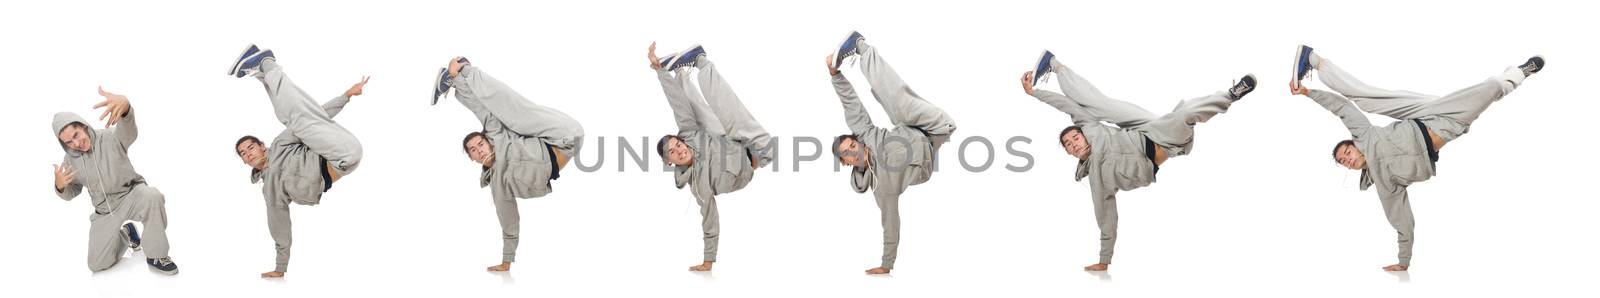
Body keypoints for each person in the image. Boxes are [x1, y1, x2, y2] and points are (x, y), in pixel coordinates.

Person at [1288, 45, 1543, 271]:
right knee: (1494, 87)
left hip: (1424, 113)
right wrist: (1404, 261)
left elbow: (1342, 108)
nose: (1347, 159)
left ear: (1355, 146)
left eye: (1347, 152)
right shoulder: (1384, 184)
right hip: (1449, 124)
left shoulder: (1364, 135)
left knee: (1364, 98)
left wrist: (1309, 94)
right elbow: (1402, 220)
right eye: (1343, 161)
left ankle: (1313, 60)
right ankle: (1518, 73)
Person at [1019, 50, 1255, 272]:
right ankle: (1226, 97)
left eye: (1074, 137)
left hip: (1142, 128)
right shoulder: (1097, 182)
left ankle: (1054, 65)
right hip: (1163, 142)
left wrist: (1035, 93)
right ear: (1070, 153)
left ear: (1081, 133)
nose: (1073, 143)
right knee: (1184, 116)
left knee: (1098, 104)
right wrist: (1104, 260)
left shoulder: (1091, 128)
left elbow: (1067, 105)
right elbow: (1107, 218)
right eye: (1068, 144)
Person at [228, 44, 370, 278]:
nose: (248, 153)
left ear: (263, 146)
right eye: (243, 153)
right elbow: (279, 225)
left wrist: (346, 97)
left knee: (295, 118)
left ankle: (264, 67)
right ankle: (264, 66)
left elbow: (317, 115)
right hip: (341, 161)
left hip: (337, 150)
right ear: (244, 162)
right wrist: (280, 268)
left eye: (251, 147)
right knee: (296, 118)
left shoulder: (281, 144)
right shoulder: (270, 189)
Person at [433, 55, 585, 272]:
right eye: (474, 151)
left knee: (512, 112)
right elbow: (509, 220)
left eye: (480, 144)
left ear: (488, 142)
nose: (479, 150)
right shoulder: (498, 184)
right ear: (472, 159)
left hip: (558, 134)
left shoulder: (498, 137)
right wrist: (507, 260)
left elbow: (482, 110)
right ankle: (454, 77)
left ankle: (462, 72)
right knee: (513, 116)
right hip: (567, 144)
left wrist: (460, 79)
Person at [826, 31, 957, 275]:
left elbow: (852, 105)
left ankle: (860, 46)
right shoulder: (880, 187)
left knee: (895, 101)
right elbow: (891, 223)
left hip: (915, 122)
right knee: (899, 108)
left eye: (852, 145)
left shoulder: (867, 136)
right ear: (845, 163)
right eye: (847, 153)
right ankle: (859, 49)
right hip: (936, 133)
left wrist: (835, 75)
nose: (853, 151)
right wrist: (887, 265)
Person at [647, 43, 774, 271]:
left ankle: (693, 64)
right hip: (747, 155)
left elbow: (677, 105)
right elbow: (709, 219)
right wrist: (709, 260)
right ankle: (681, 70)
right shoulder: (698, 186)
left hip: (726, 137)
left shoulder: (689, 137)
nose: (679, 150)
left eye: (677, 144)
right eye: (673, 152)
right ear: (670, 162)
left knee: (697, 111)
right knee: (767, 152)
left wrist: (659, 72)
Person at [52, 86, 180, 275]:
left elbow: (129, 131)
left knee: (152, 196)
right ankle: (127, 235)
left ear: (84, 126)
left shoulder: (110, 137)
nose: (76, 144)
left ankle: (156, 255)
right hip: (105, 211)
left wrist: (126, 109)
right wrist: (60, 187)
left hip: (131, 195)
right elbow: (73, 192)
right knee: (96, 265)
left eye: (76, 135)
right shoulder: (70, 161)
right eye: (69, 142)